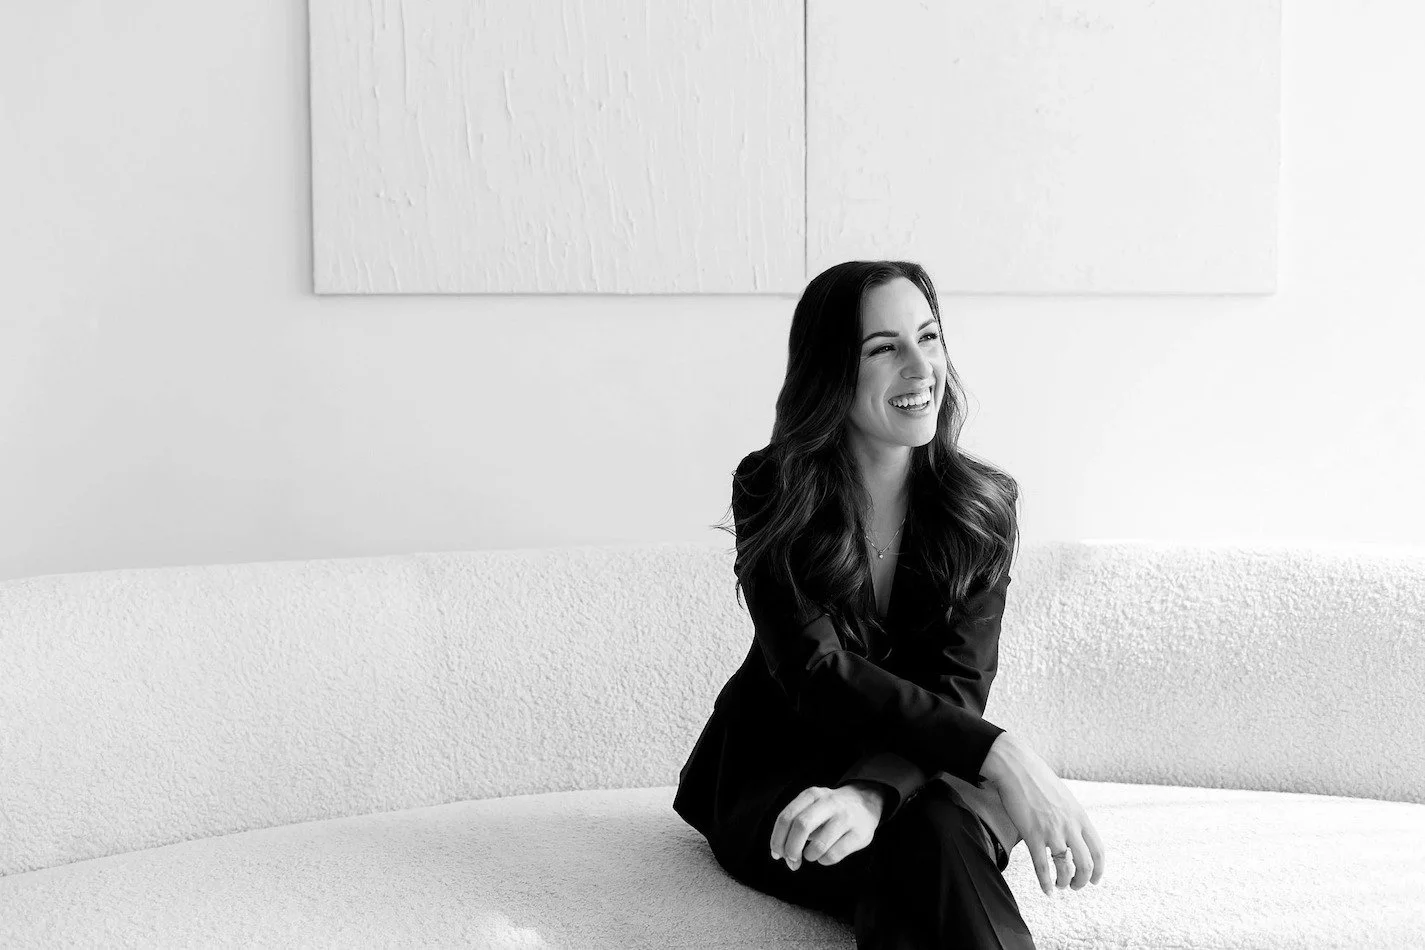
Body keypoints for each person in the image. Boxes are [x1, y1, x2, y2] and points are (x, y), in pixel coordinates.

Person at [672, 260, 1107, 948]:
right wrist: (1003, 754)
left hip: (923, 768)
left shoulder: (981, 508)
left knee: (926, 835)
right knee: (925, 845)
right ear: (831, 372)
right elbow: (814, 670)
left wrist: (874, 791)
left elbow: (956, 683)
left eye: (928, 338)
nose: (919, 366)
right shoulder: (770, 488)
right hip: (784, 772)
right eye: (884, 348)